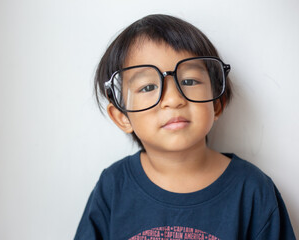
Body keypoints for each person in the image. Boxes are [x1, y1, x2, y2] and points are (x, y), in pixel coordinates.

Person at [74, 14, 296, 239]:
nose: (173, 99)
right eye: (148, 86)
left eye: (189, 81)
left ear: (217, 104)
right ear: (123, 117)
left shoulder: (253, 190)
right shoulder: (112, 187)